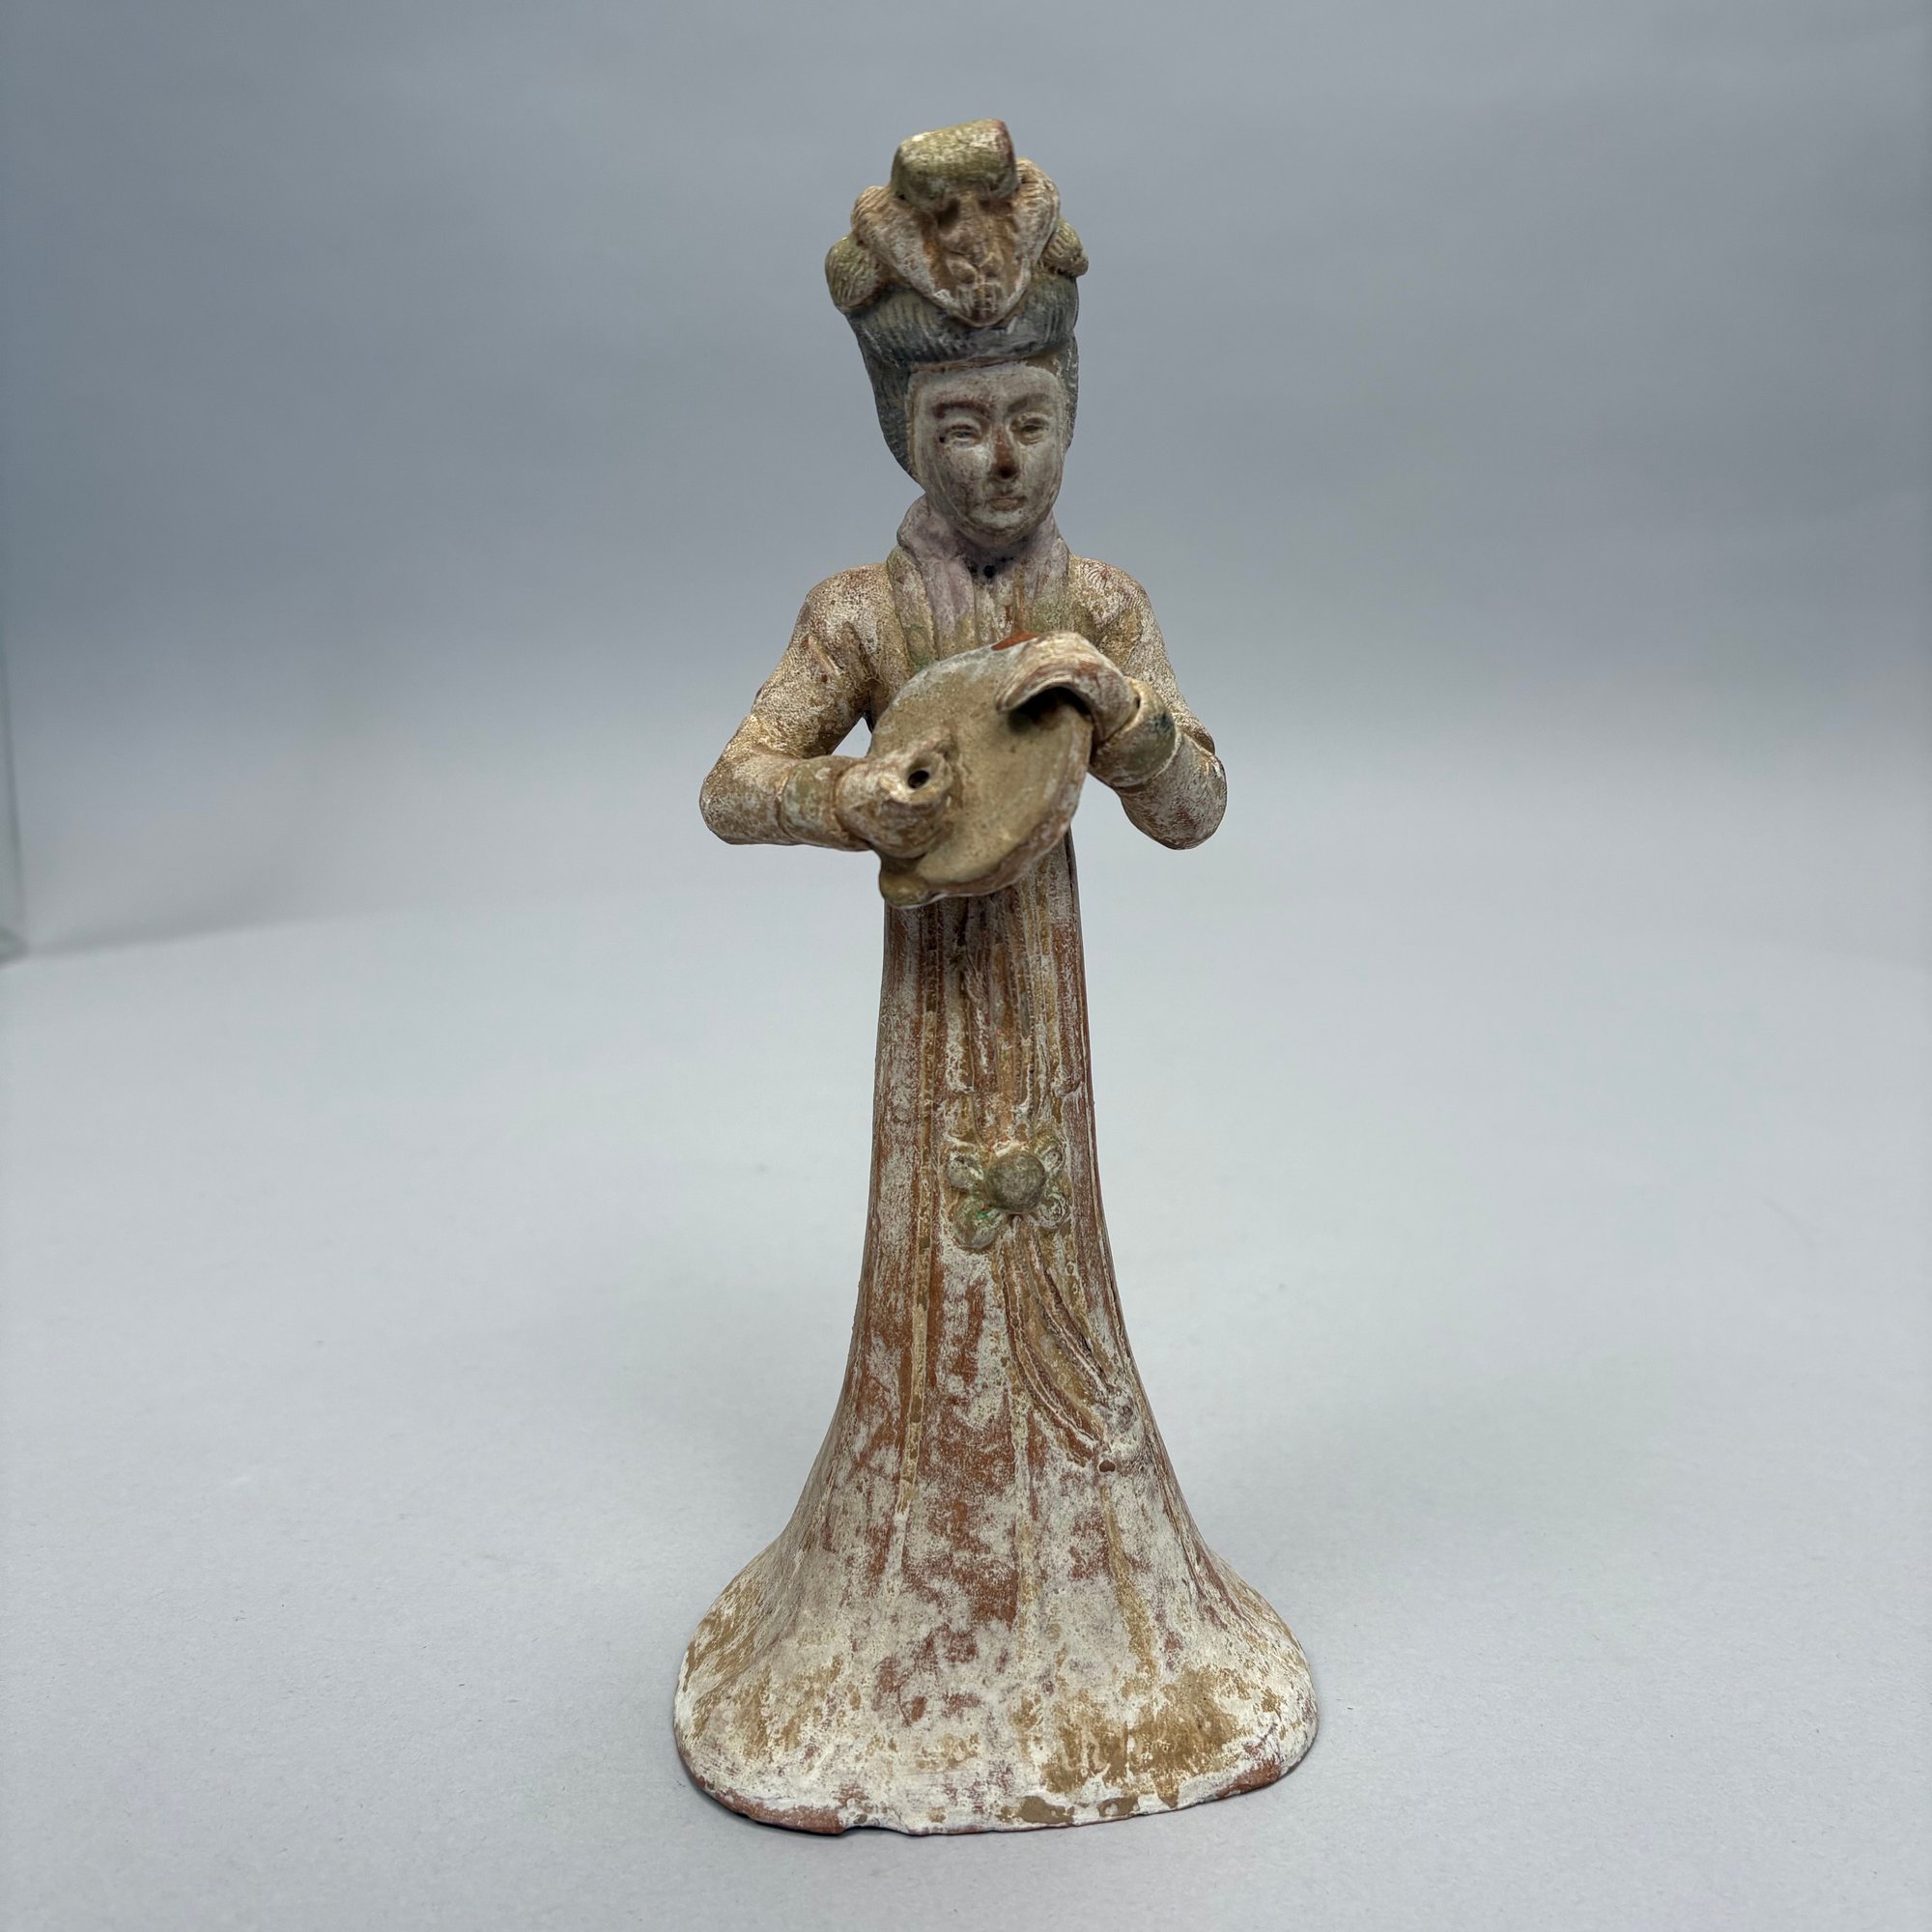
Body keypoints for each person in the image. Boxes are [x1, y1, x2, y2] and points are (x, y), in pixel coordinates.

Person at [676, 121, 1315, 1834]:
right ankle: (901, 1585)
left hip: (1038, 1002)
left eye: (1030, 416)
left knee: (1044, 1262)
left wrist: (1124, 711)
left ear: (1071, 412)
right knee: (933, 1271)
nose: (1001, 456)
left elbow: (1196, 809)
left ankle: (1097, 1604)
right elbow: (733, 784)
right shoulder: (860, 617)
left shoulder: (1100, 606)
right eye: (960, 423)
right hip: (938, 1009)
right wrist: (849, 799)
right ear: (904, 427)